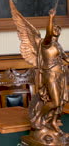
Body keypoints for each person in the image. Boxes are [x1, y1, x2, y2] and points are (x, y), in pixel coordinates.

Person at [30, 7, 69, 135]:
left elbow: (66, 59)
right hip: (50, 74)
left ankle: (52, 122)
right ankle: (37, 118)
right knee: (55, 101)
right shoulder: (46, 43)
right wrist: (51, 17)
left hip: (61, 75)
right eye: (54, 28)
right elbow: (47, 33)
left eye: (58, 28)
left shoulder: (58, 45)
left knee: (60, 103)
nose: (56, 29)